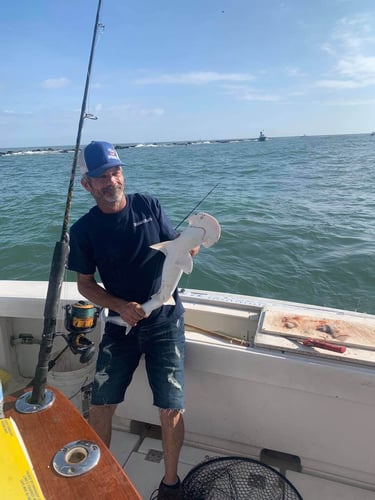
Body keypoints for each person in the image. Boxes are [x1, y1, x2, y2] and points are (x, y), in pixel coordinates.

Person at [68, 141, 198, 499]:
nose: (112, 180)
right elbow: (85, 285)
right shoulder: (83, 230)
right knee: (101, 403)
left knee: (172, 405)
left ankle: (171, 483)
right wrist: (120, 305)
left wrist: (192, 243)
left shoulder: (148, 205)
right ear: (87, 184)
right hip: (120, 325)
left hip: (165, 319)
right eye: (101, 176)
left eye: (115, 171)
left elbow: (176, 246)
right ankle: (101, 477)